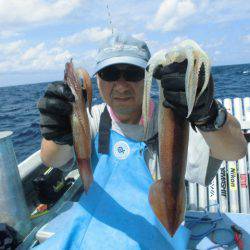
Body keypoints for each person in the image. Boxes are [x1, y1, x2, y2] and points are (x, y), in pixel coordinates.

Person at [37, 33, 247, 249]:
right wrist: (57, 132)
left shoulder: (173, 122)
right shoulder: (91, 119)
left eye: (133, 73)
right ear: (98, 79)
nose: (120, 85)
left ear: (148, 77)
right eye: (109, 74)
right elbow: (52, 158)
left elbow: (235, 151)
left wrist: (208, 114)